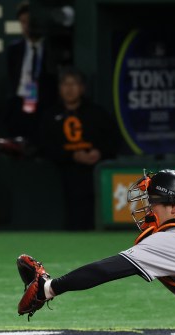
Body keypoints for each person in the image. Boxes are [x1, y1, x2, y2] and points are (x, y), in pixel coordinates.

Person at [17, 169, 175, 335]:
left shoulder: (172, 239)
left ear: (173, 206)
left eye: (154, 201)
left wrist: (49, 288)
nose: (150, 208)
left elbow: (105, 270)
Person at [38, 66, 118, 230]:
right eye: (65, 84)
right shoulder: (50, 116)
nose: (69, 89)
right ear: (59, 88)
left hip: (93, 173)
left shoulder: (96, 113)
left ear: (82, 88)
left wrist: (99, 152)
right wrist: (72, 156)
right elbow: (45, 145)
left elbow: (113, 139)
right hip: (62, 174)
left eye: (74, 84)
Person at [2, 0, 58, 148]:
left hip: (44, 108)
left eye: (30, 22)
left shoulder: (53, 49)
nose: (27, 26)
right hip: (18, 105)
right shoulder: (14, 49)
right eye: (23, 22)